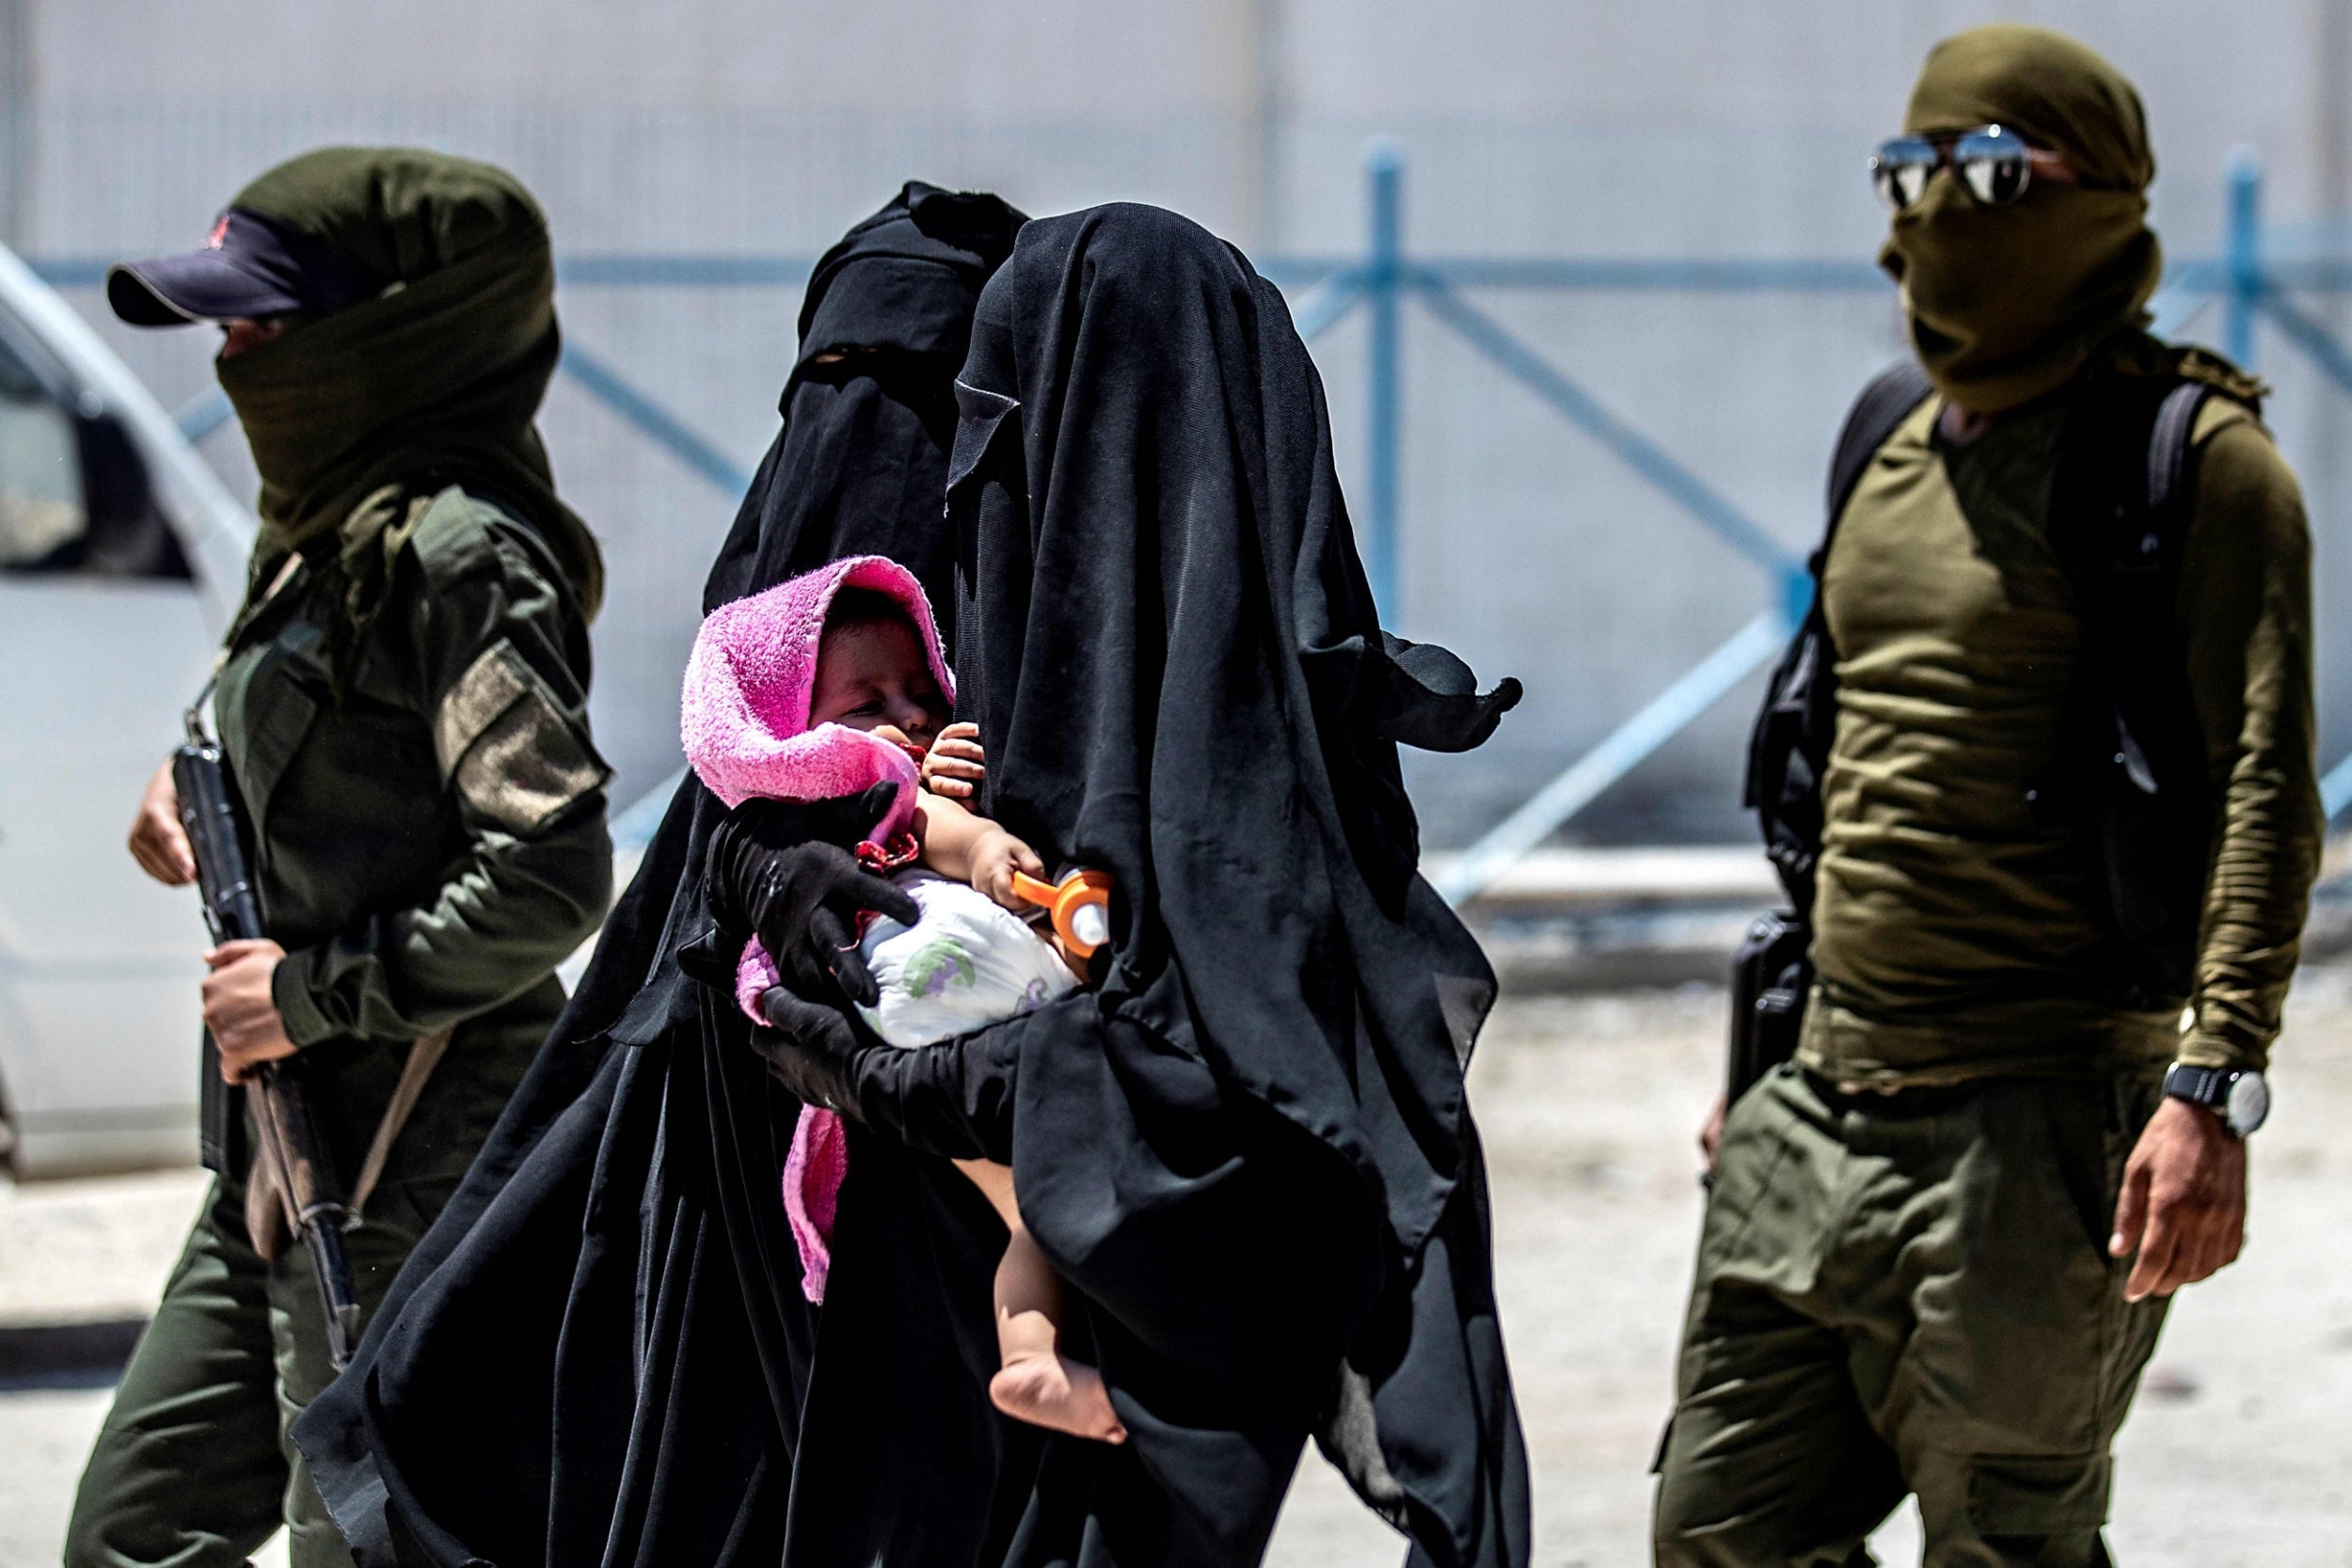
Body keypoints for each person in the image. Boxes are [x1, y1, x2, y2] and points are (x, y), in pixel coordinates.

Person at [724, 202, 1533, 1568]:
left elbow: (1172, 1091)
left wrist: (891, 1075)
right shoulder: (1235, 750)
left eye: (1000, 425)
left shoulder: (1192, 797)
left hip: (1125, 1413)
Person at [292, 183, 1036, 1568]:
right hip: (720, 1149)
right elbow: (720, 854)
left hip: (942, 1182)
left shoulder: (1030, 630)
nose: (854, 432)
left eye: (906, 389)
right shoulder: (776, 621)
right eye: (828, 382)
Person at [1654, 26, 2320, 1566]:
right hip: (1810, 1099)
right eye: (1916, 170)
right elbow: (1838, 773)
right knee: (1716, 1531)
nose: (1945, 209)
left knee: (2006, 1542)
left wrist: (2213, 1086)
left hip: (2042, 1124)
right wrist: (1766, 1062)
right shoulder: (1883, 434)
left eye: (1997, 172)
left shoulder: (2199, 463)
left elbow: (2267, 791)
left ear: (2102, 191)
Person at [69, 148, 612, 1568]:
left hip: (407, 1148)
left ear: (391, 335)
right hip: (274, 1132)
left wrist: (313, 991)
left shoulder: (462, 558)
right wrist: (191, 797)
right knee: (135, 1530)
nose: (238, 360)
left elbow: (553, 875)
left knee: (367, 1544)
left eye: (267, 324)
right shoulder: (325, 532)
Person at [683, 556, 1122, 1442]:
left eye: (922, 686)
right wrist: (991, 844)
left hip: (938, 1015)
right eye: (866, 704)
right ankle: (1055, 1356)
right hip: (934, 1001)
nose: (910, 715)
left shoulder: (883, 790)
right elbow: (947, 833)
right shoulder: (859, 794)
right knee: (1043, 1208)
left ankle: (1033, 1363)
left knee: (1031, 1210)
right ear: (785, 734)